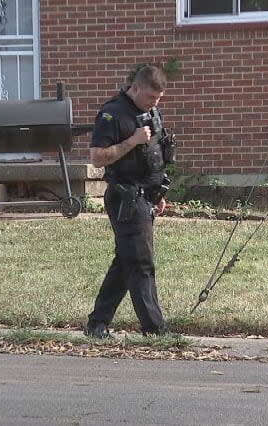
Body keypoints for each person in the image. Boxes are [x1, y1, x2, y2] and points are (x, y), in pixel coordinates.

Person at [84, 65, 173, 338]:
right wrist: (131, 141)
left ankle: (97, 324)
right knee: (141, 263)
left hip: (146, 195)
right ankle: (155, 330)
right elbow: (97, 157)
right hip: (126, 197)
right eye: (150, 97)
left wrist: (159, 193)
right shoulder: (113, 114)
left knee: (126, 262)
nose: (154, 103)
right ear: (134, 88)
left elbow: (155, 153)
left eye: (158, 99)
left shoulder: (150, 111)